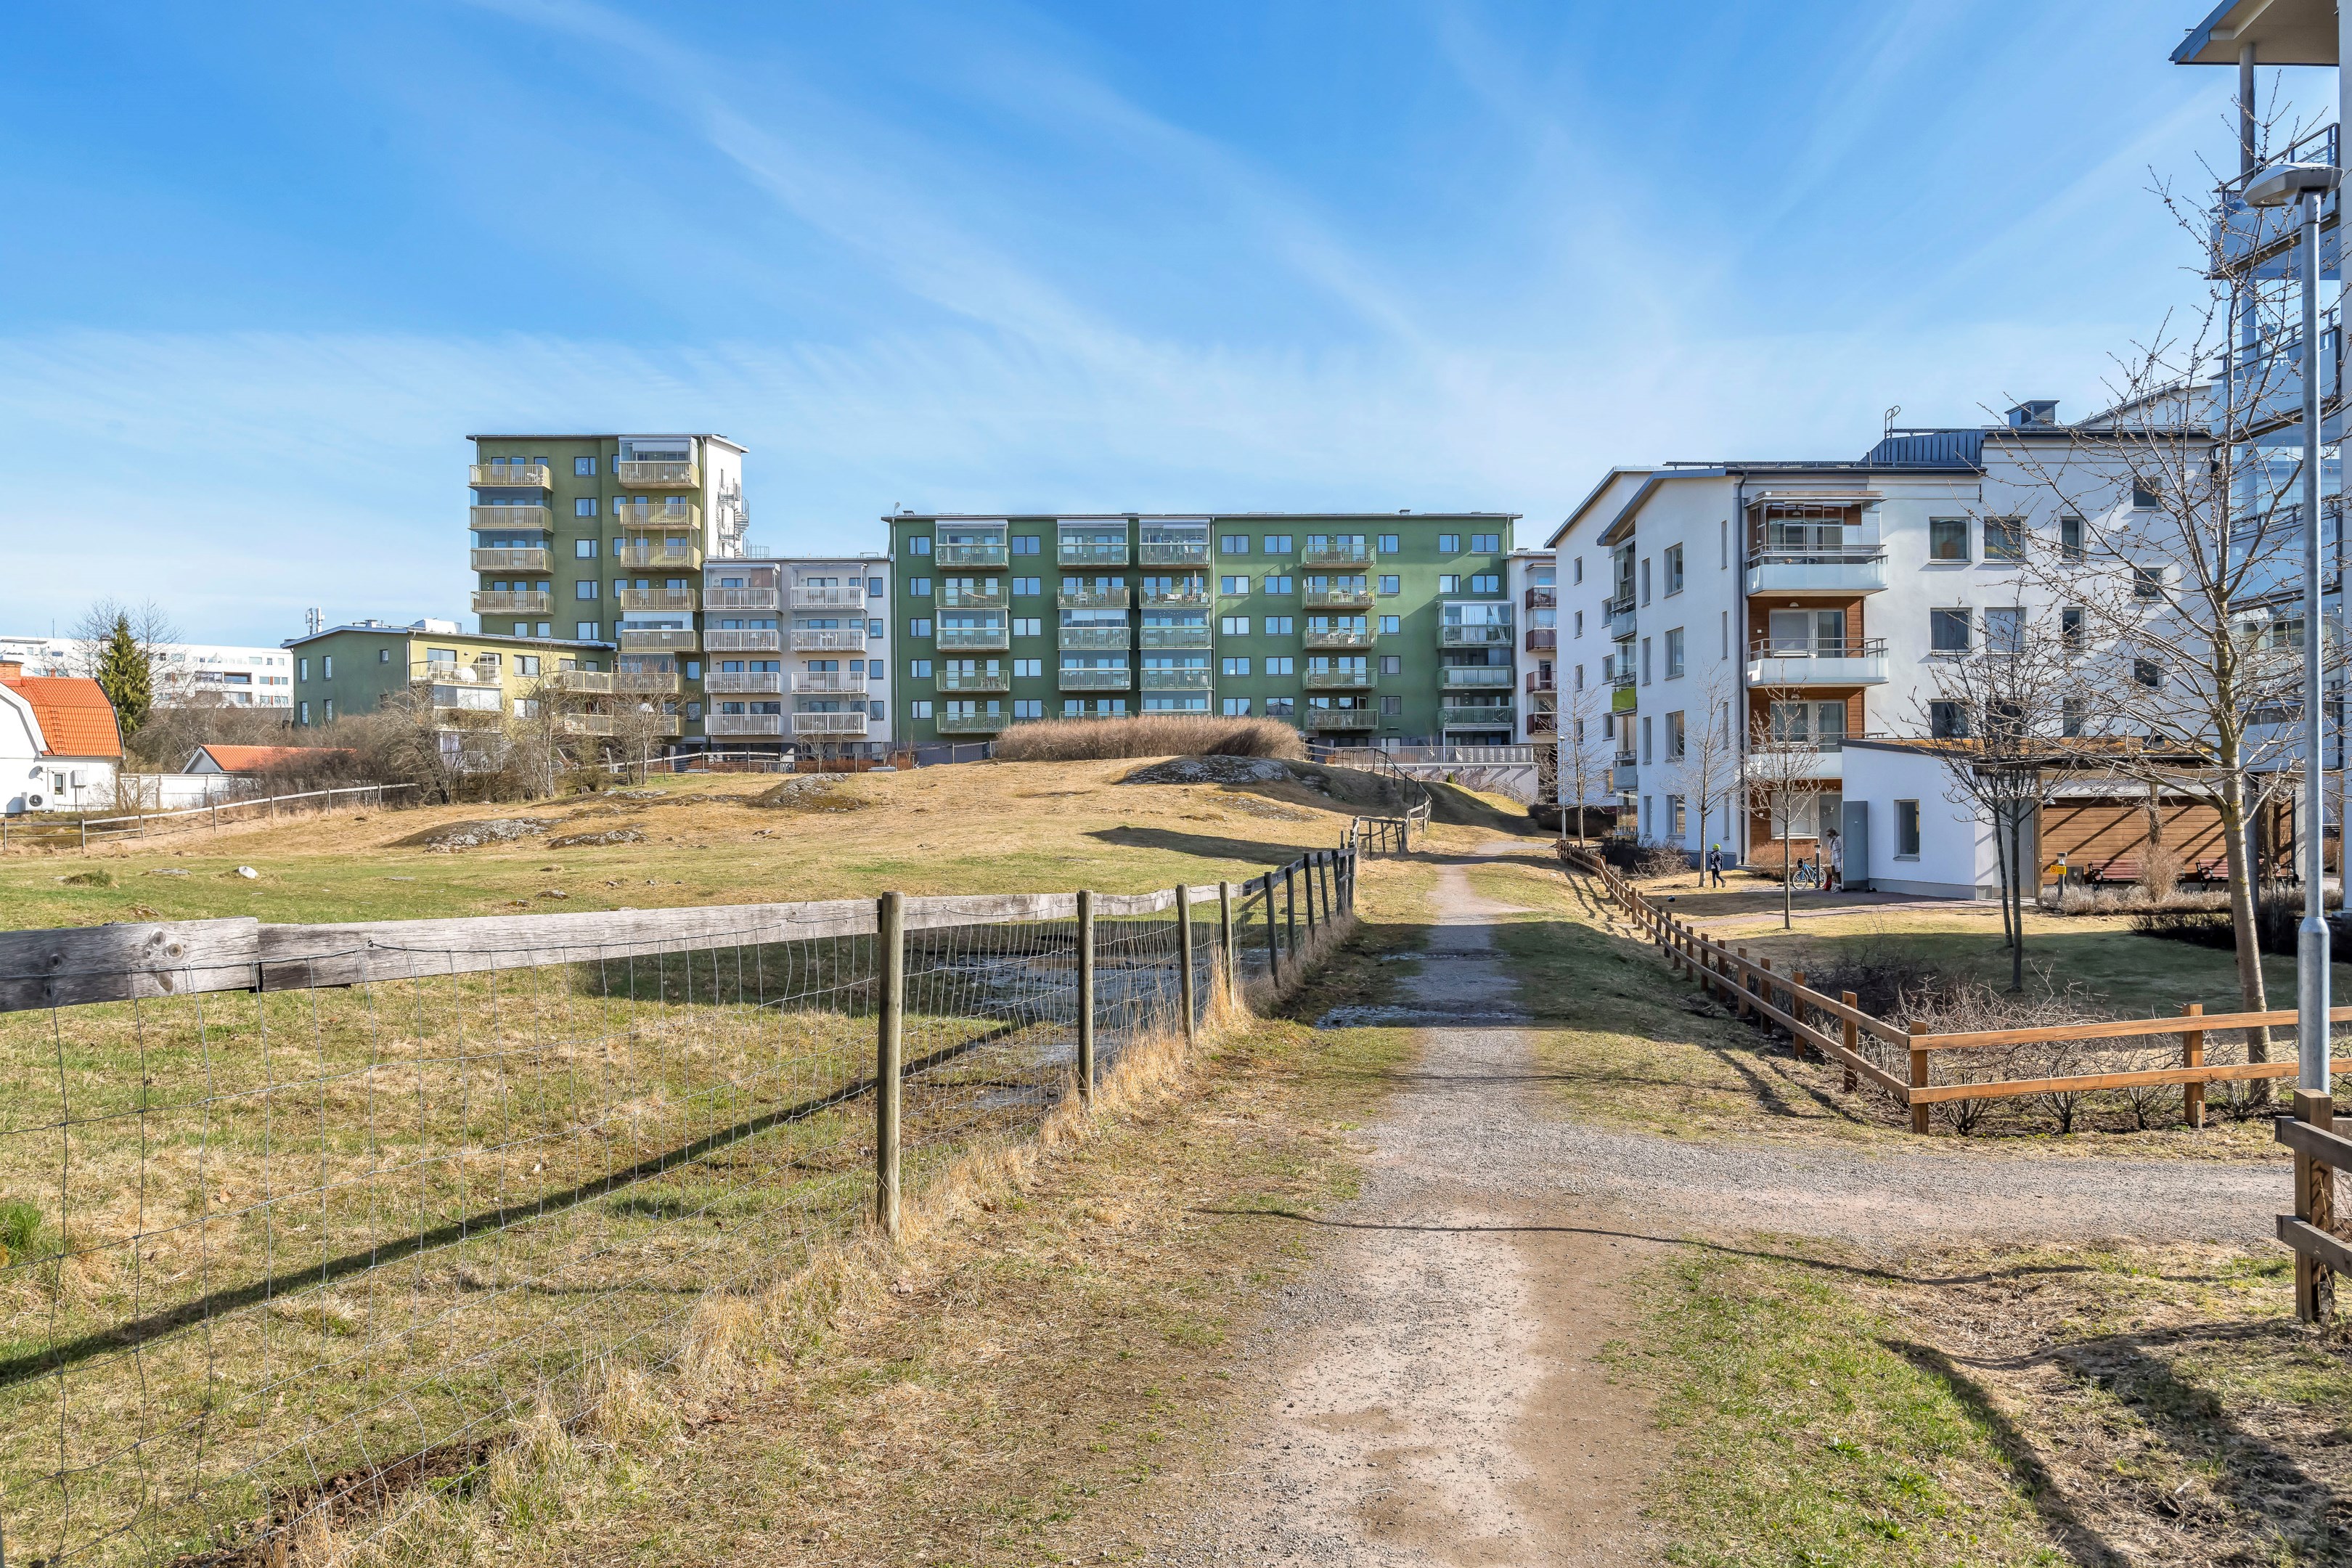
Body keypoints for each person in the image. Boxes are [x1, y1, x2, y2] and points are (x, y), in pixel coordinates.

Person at [1824, 828, 1842, 893]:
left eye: (1828, 833)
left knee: (1839, 871)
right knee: (1834, 872)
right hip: (1833, 858)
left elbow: (1841, 847)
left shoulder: (1838, 838)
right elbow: (1830, 848)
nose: (1827, 835)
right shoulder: (1831, 840)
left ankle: (1840, 885)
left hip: (1838, 857)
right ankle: (1838, 884)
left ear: (1832, 833)